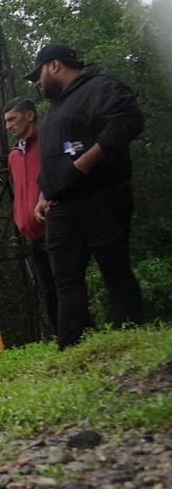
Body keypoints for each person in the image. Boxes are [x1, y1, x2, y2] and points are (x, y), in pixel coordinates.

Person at [27, 43, 144, 349]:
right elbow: (50, 157)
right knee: (65, 283)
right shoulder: (55, 110)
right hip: (62, 209)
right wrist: (43, 192)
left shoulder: (100, 87)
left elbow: (128, 122)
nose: (37, 84)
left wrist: (82, 164)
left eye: (38, 74)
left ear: (54, 65)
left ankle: (133, 342)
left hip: (101, 195)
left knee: (115, 272)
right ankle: (71, 351)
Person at [3, 96, 59, 332]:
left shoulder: (47, 143)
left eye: (13, 119)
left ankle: (77, 333)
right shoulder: (14, 155)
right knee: (47, 287)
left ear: (30, 115)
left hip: (55, 225)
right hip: (32, 233)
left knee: (64, 283)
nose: (9, 126)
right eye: (6, 121)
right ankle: (61, 336)